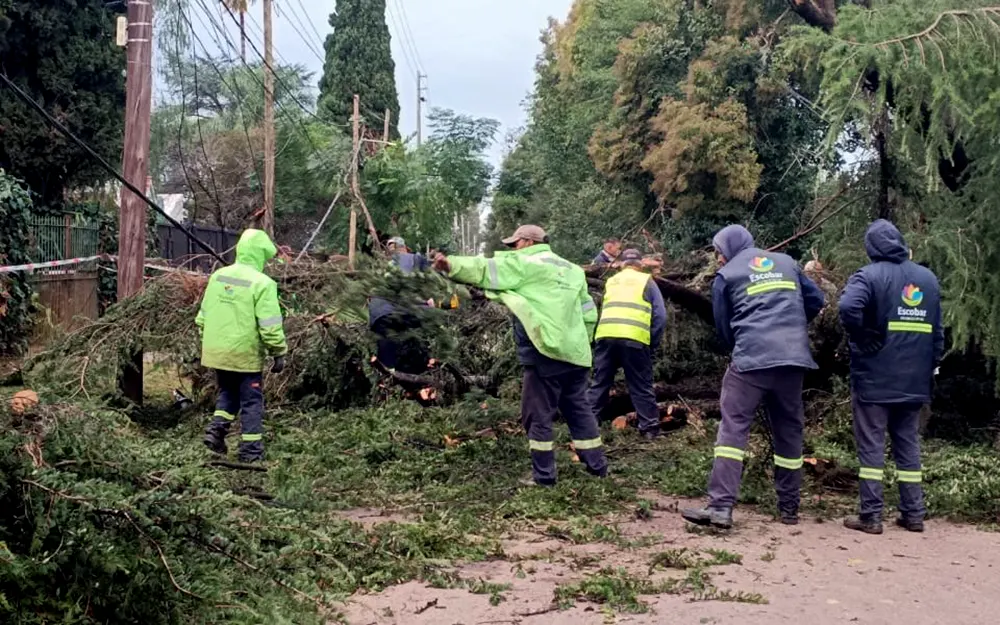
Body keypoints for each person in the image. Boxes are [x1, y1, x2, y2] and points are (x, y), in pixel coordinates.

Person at [433, 224, 608, 485]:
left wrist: (451, 265)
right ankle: (598, 467)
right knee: (579, 409)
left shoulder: (526, 263)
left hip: (545, 350)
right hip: (576, 353)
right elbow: (589, 313)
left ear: (527, 242)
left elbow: (486, 269)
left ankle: (544, 476)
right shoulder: (573, 270)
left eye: (514, 244)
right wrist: (582, 343)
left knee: (537, 415)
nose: (513, 249)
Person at [681, 225, 824, 528]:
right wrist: (792, 327)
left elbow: (723, 327)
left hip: (751, 361)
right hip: (792, 360)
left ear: (729, 248)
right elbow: (815, 300)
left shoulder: (727, 275)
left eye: (719, 251)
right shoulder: (787, 263)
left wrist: (741, 346)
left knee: (733, 429)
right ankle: (789, 508)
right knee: (789, 430)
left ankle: (720, 507)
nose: (718, 258)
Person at [838, 220, 943, 535]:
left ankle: (871, 516)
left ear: (870, 248)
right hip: (914, 380)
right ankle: (914, 514)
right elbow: (937, 332)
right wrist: (930, 366)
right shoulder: (928, 279)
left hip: (875, 378)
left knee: (871, 445)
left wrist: (861, 335)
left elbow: (847, 306)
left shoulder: (868, 276)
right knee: (908, 444)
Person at [197, 229, 287, 463]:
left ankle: (216, 432)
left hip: (217, 352)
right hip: (245, 353)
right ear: (260, 255)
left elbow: (203, 317)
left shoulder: (218, 276)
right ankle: (251, 451)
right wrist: (278, 352)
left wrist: (211, 342)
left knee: (228, 392)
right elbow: (269, 325)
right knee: (251, 401)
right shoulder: (263, 284)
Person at [588, 249, 667, 439]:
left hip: (606, 336)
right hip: (634, 338)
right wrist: (652, 343)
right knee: (640, 385)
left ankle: (587, 427)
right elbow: (660, 316)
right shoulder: (646, 281)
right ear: (640, 265)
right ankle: (649, 429)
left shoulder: (611, 281)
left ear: (622, 265)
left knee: (600, 383)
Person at [368, 236, 432, 374]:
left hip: (379, 314)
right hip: (406, 311)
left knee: (387, 361)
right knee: (415, 351)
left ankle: (388, 381)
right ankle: (417, 378)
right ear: (405, 248)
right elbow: (430, 284)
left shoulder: (382, 266)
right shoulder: (415, 258)